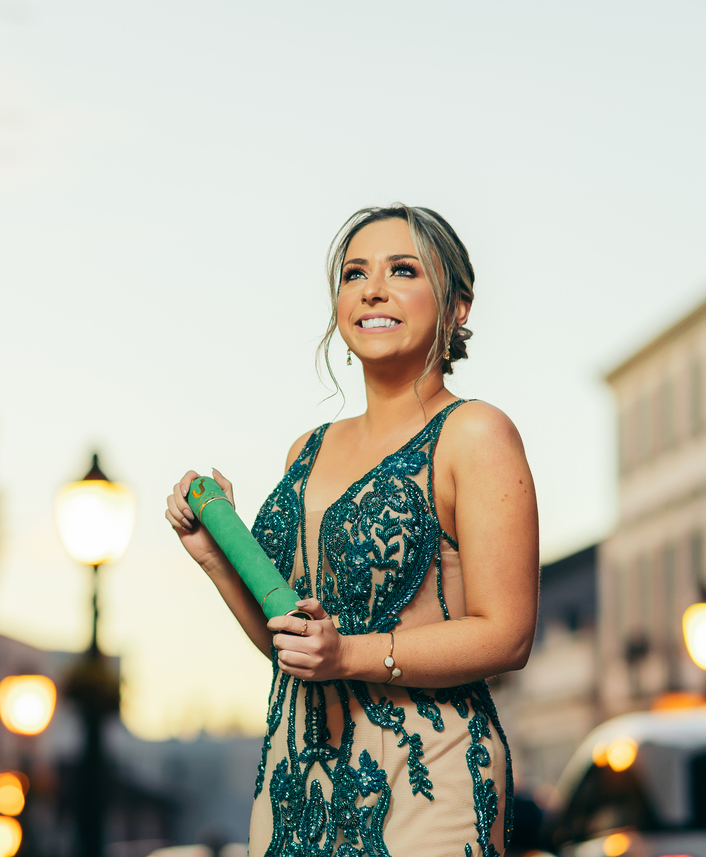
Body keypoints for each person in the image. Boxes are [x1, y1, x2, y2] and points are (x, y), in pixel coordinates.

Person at [165, 205, 539, 857]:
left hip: (426, 773)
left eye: (403, 269)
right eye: (354, 273)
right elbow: (295, 647)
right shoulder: (304, 451)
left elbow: (507, 633)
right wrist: (215, 557)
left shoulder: (475, 433)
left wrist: (350, 655)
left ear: (458, 308)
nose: (372, 288)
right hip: (296, 777)